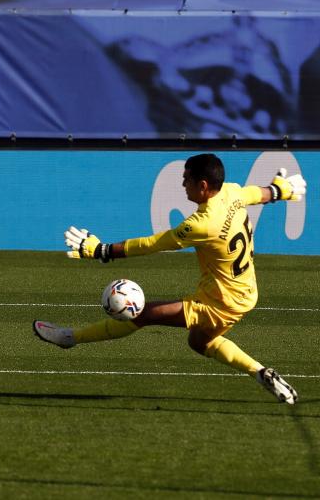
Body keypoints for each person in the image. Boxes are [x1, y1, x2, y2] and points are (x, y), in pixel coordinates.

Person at [33, 153, 306, 404]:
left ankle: (69, 337)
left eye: (186, 179)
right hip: (244, 291)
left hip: (222, 301)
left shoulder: (201, 224)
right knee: (200, 343)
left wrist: (102, 251)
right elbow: (261, 194)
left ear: (202, 185)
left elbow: (152, 243)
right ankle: (261, 373)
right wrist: (283, 190)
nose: (182, 183)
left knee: (142, 314)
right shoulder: (232, 192)